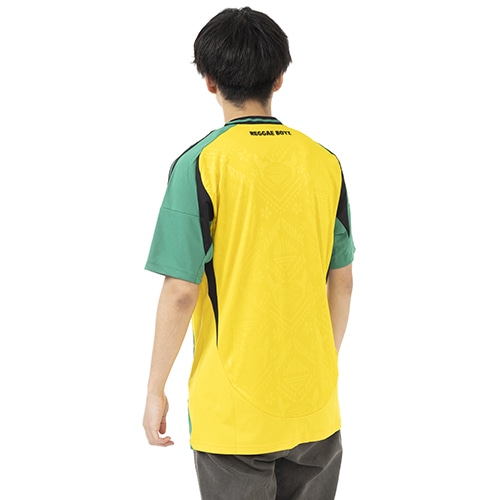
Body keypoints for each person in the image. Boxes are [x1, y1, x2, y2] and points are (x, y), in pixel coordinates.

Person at [142, 7, 355, 499]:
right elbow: (341, 281)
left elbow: (180, 291)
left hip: (234, 413)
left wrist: (155, 389)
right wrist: (320, 371)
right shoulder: (324, 162)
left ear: (209, 81)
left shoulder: (200, 164)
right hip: (316, 409)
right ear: (279, 78)